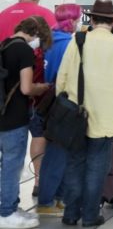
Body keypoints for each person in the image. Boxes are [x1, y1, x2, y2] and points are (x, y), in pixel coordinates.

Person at [56, 0, 113, 227]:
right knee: (97, 167)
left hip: (76, 115)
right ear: (112, 22)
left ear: (91, 20)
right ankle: (90, 216)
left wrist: (66, 100)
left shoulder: (78, 40)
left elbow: (61, 79)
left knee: (74, 164)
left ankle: (71, 214)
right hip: (106, 117)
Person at [0, 0, 57, 197]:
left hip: (5, 93)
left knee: (10, 150)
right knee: (38, 135)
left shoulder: (3, 15)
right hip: (33, 90)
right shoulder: (46, 17)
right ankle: (38, 181)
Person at [0, 17, 52, 229]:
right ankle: (7, 213)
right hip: (15, 116)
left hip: (3, 113)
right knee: (12, 166)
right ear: (37, 34)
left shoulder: (5, 44)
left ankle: (10, 206)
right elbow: (26, 88)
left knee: (6, 165)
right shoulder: (24, 51)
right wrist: (42, 87)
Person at [37, 4, 83, 217]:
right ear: (72, 20)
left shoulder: (49, 42)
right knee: (58, 155)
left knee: (56, 153)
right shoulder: (68, 45)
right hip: (63, 106)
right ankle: (47, 201)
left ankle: (55, 199)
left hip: (47, 104)